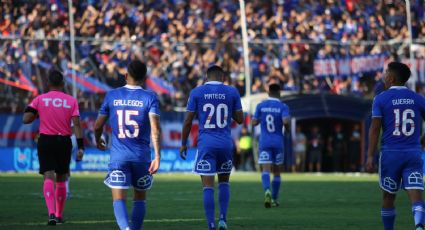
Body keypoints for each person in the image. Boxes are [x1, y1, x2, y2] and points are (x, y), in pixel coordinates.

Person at [94, 60, 161, 230]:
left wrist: (97, 138)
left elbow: (97, 126)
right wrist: (158, 156)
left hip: (119, 157)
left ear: (126, 75)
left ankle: (126, 228)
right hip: (141, 157)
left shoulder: (112, 95)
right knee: (140, 198)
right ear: (144, 78)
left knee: (119, 199)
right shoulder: (150, 97)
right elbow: (156, 129)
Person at [180, 65, 243, 230]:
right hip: (225, 144)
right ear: (222, 77)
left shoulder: (197, 92)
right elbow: (240, 119)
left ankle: (211, 225)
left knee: (208, 186)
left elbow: (187, 121)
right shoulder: (232, 92)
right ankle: (223, 219)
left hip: (206, 144)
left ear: (206, 77)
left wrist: (183, 143)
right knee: (224, 183)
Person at [366, 62, 425, 230]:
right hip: (413, 153)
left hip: (391, 154)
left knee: (388, 196)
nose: (384, 76)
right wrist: (423, 139)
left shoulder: (381, 98)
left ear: (391, 78)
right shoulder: (417, 98)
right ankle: (419, 226)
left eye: (385, 73)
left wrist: (370, 156)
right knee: (416, 194)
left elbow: (375, 128)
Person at [22, 69, 84, 225]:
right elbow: (76, 124)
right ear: (63, 84)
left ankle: (50, 213)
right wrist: (81, 147)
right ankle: (59, 214)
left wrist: (36, 111)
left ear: (48, 83)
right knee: (62, 177)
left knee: (48, 175)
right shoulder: (71, 100)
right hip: (64, 141)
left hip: (46, 140)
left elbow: (26, 119)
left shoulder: (40, 99)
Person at [252, 83, 290, 208]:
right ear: (279, 93)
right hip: (278, 141)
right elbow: (285, 121)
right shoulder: (283, 106)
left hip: (265, 141)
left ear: (268, 93)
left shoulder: (261, 105)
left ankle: (267, 190)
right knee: (277, 172)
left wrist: (259, 119)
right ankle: (274, 198)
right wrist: (288, 129)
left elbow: (254, 122)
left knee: (266, 169)